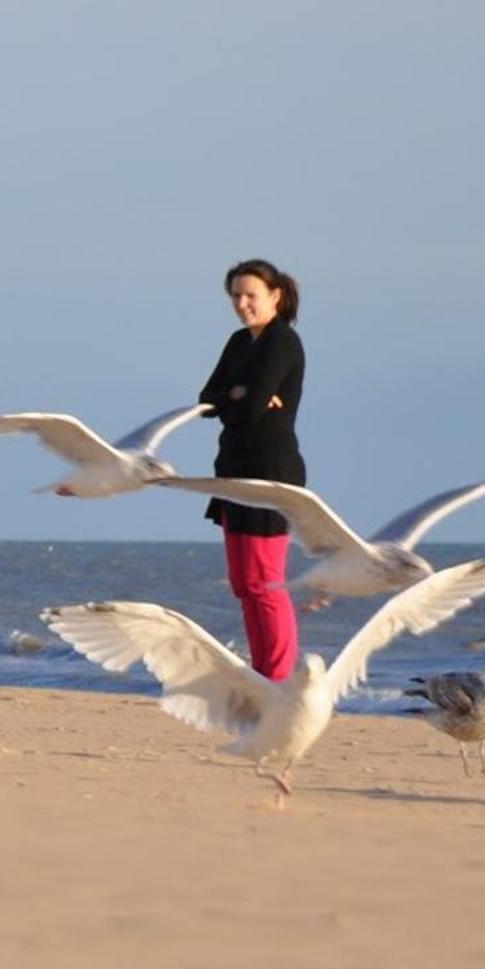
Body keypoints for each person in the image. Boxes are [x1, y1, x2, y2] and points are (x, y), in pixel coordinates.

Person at [198, 258, 307, 681]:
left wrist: (242, 399)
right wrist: (239, 396)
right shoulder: (239, 341)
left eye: (251, 296)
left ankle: (279, 678)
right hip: (232, 469)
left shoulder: (283, 342)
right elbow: (207, 401)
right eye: (236, 296)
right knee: (243, 584)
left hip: (271, 472)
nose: (243, 304)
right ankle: (262, 674)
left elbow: (249, 408)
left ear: (275, 297)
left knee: (265, 583)